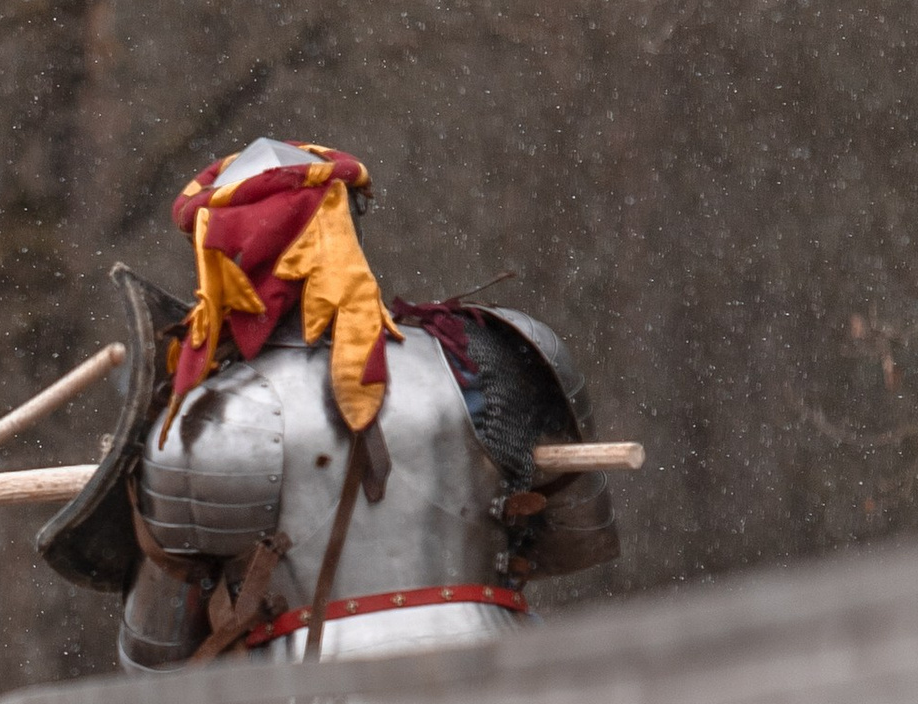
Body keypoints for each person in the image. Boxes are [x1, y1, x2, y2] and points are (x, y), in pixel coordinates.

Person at [37, 138, 622, 671]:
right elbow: (575, 539)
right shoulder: (493, 355)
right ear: (343, 224)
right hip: (502, 677)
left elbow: (154, 655)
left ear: (224, 254)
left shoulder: (209, 427)